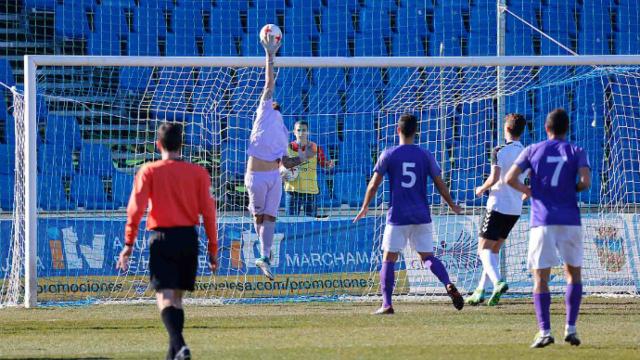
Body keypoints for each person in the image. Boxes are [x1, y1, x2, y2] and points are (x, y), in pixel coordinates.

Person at [116, 123, 218, 360]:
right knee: (178, 299)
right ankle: (175, 353)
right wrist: (213, 248)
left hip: (162, 238)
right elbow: (209, 213)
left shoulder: (149, 171)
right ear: (182, 145)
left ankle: (180, 345)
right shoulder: (198, 173)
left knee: (164, 297)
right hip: (188, 238)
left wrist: (128, 244)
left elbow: (135, 210)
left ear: (157, 144)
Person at [354, 113, 465, 314]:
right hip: (422, 215)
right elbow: (440, 183)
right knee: (428, 256)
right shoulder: (425, 154)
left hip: (398, 216)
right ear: (416, 132)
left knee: (389, 259)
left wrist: (364, 206)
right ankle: (448, 283)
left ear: (398, 130)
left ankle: (387, 304)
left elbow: (373, 184)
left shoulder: (389, 154)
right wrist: (451, 204)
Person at [506, 109, 591, 348]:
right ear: (566, 129)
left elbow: (509, 178)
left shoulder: (532, 149)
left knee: (540, 277)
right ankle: (571, 329)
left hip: (542, 220)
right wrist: (571, 189)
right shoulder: (576, 151)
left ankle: (544, 331)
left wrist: (529, 191)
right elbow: (586, 182)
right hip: (570, 220)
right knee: (573, 274)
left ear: (546, 128)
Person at [245, 33, 314, 280]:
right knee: (259, 216)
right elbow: (269, 84)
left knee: (271, 217)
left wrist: (303, 159)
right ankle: (262, 254)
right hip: (255, 175)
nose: (275, 103)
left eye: (277, 104)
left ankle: (264, 256)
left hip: (274, 176)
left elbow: (284, 161)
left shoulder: (284, 133)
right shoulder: (263, 111)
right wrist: (269, 56)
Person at [467, 113, 527, 306]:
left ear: (507, 129)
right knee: (492, 251)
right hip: (515, 209)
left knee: (482, 250)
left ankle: (497, 281)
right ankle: (480, 291)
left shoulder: (499, 150)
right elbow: (530, 181)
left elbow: (494, 178)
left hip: (497, 205)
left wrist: (480, 189)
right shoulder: (527, 153)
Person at [284, 120, 335, 217]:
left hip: (310, 191)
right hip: (292, 190)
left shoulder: (315, 148)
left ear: (308, 132)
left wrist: (329, 165)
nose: (301, 133)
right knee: (291, 223)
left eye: (304, 130)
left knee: (311, 224)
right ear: (294, 132)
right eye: (298, 130)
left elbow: (324, 165)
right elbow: (282, 167)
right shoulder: (287, 148)